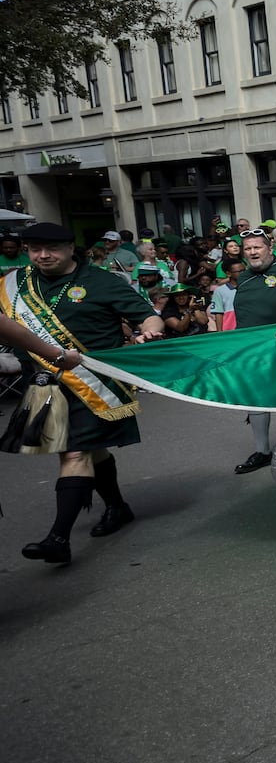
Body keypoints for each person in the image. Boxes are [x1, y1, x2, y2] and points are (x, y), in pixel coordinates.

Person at [4, 221, 166, 564]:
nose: (42, 256)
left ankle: (57, 538)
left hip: (93, 384)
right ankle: (117, 507)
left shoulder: (102, 281)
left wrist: (150, 332)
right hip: (43, 385)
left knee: (74, 453)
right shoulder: (14, 285)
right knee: (93, 451)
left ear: (69, 248)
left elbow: (148, 318)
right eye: (34, 250)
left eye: (51, 249)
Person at [231, 228, 276, 474]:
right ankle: (262, 451)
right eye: (248, 248)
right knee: (256, 398)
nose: (252, 252)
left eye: (257, 247)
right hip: (254, 349)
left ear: (270, 249)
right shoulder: (243, 278)